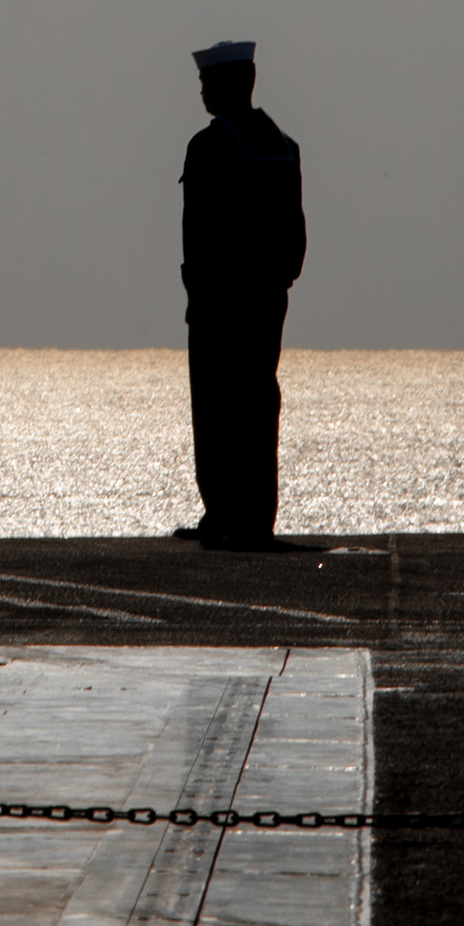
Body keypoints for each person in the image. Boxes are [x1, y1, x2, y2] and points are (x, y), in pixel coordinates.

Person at [173, 41, 306, 551]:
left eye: (208, 82)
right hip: (267, 292)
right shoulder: (282, 145)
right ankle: (253, 511)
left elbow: (200, 231)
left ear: (229, 85)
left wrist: (199, 288)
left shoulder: (211, 146)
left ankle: (225, 510)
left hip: (220, 297)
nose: (202, 91)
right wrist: (281, 277)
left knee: (218, 402)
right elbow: (293, 225)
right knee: (256, 396)